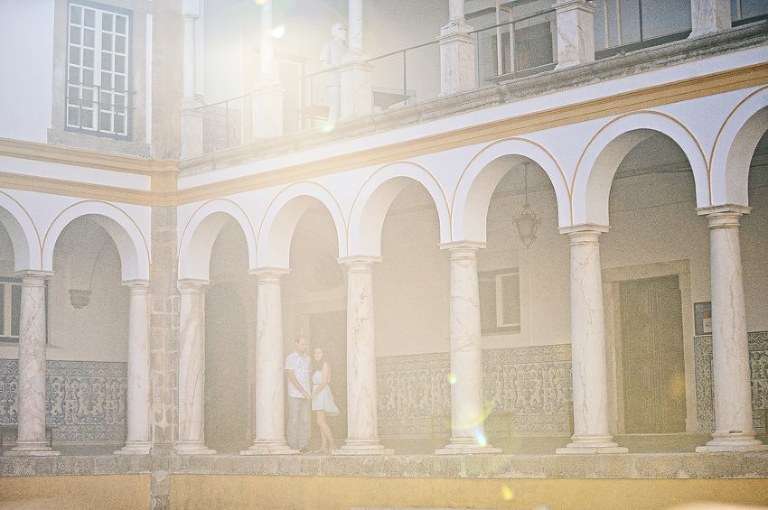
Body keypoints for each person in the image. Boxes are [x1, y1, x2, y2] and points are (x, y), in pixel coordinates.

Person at [310, 346, 339, 453]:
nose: (317, 355)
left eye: (319, 353)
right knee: (321, 421)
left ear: (323, 354)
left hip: (322, 393)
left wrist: (313, 393)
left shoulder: (325, 364)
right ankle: (324, 446)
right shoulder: (316, 367)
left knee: (320, 421)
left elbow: (324, 382)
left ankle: (332, 444)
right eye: (315, 353)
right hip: (317, 393)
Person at [285, 336, 311, 452]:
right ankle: (293, 446)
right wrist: (302, 391)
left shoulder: (308, 359)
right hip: (295, 394)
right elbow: (291, 377)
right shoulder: (290, 358)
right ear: (296, 344)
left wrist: (308, 392)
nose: (304, 346)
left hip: (306, 395)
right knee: (293, 420)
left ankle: (303, 446)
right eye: (302, 344)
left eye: (305, 344)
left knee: (304, 421)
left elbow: (308, 377)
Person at [319, 22, 347, 123]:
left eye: (345, 29)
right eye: (340, 29)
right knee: (334, 109)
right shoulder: (329, 45)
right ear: (334, 32)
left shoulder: (347, 48)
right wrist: (335, 66)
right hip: (334, 81)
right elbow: (324, 65)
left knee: (345, 108)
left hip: (345, 81)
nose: (344, 32)